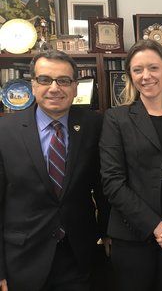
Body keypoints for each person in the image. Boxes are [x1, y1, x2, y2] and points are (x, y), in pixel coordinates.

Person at [0, 50, 110, 291]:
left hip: (78, 256)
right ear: (32, 84)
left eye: (63, 80)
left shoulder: (95, 124)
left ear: (75, 86)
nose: (54, 88)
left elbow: (103, 186)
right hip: (23, 259)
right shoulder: (4, 131)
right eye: (45, 79)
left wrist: (107, 233)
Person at [99, 39, 162, 291]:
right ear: (130, 76)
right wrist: (157, 228)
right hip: (133, 236)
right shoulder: (116, 118)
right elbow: (113, 183)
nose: (146, 76)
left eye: (153, 68)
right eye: (138, 70)